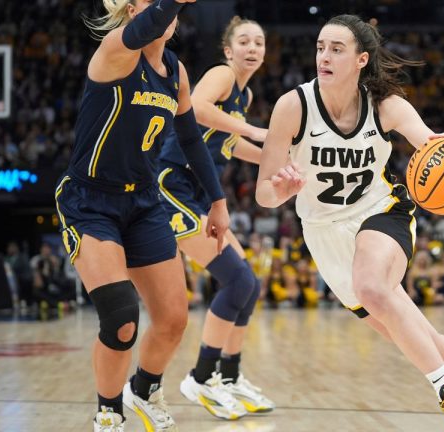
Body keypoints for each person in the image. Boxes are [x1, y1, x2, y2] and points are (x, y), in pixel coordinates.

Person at [255, 15, 444, 432]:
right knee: (423, 339)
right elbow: (264, 191)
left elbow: (431, 143)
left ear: (361, 59)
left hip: (380, 213)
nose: (324, 56)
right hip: (323, 233)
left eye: (337, 49)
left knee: (373, 287)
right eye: (320, 47)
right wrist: (281, 190)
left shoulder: (386, 106)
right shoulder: (292, 106)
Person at [56, 1, 230, 430]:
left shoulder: (176, 71)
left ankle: (145, 386)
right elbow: (149, 23)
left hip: (145, 203)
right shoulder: (116, 49)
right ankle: (109, 413)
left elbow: (191, 140)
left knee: (173, 319)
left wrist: (218, 201)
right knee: (121, 319)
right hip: (92, 201)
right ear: (132, 10)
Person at [157, 16, 274, 419]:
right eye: (244, 41)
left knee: (249, 285)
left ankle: (229, 375)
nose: (253, 48)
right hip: (171, 186)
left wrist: (276, 161)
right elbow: (198, 110)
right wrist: (259, 132)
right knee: (236, 279)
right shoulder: (222, 75)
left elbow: (230, 142)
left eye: (259, 42)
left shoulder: (246, 94)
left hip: (200, 195)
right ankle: (201, 378)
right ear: (229, 50)